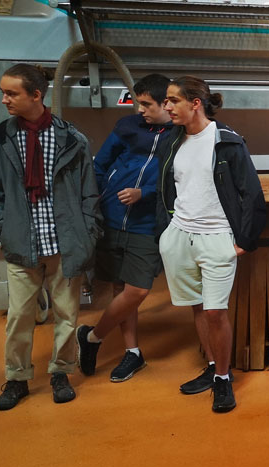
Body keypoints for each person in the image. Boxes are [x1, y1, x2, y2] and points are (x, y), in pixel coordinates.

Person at [0, 63, 102, 410]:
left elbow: (89, 193)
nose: (4, 99)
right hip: (22, 244)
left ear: (36, 95)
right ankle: (17, 378)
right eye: (3, 93)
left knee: (66, 315)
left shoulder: (71, 139)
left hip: (65, 243)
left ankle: (61, 373)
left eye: (11, 93)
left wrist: (87, 233)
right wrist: (3, 229)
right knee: (19, 316)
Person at [156, 76, 266, 413]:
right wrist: (167, 233)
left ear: (195, 104)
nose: (166, 106)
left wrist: (245, 241)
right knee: (197, 307)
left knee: (216, 312)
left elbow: (252, 194)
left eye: (173, 100)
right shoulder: (171, 142)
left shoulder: (227, 142)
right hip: (180, 236)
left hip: (216, 237)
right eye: (166, 100)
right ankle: (212, 366)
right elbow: (168, 188)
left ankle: (222, 378)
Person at [75, 73, 173, 383]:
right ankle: (133, 352)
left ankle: (92, 337)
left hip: (147, 223)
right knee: (120, 287)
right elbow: (100, 165)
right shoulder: (127, 126)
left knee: (137, 290)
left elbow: (177, 181)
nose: (140, 110)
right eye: (138, 103)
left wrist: (145, 193)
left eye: (146, 104)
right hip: (113, 218)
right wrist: (100, 202)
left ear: (166, 104)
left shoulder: (180, 135)